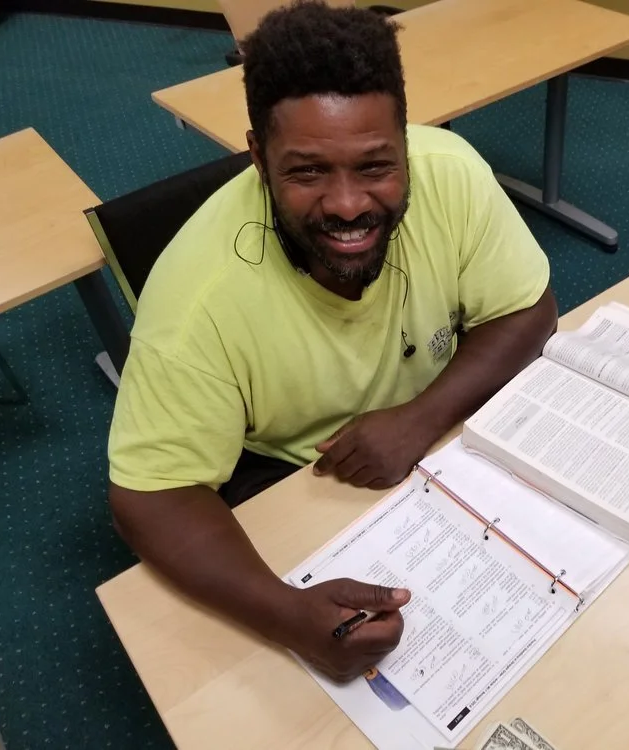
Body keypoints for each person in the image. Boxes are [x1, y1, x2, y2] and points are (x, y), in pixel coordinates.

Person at [106, 0, 557, 683]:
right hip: (296, 477)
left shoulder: (454, 173)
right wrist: (287, 616)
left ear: (405, 143)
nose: (348, 205)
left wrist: (419, 418)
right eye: (308, 172)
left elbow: (529, 309)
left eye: (375, 166)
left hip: (441, 435)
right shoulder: (196, 300)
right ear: (259, 159)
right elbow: (151, 495)